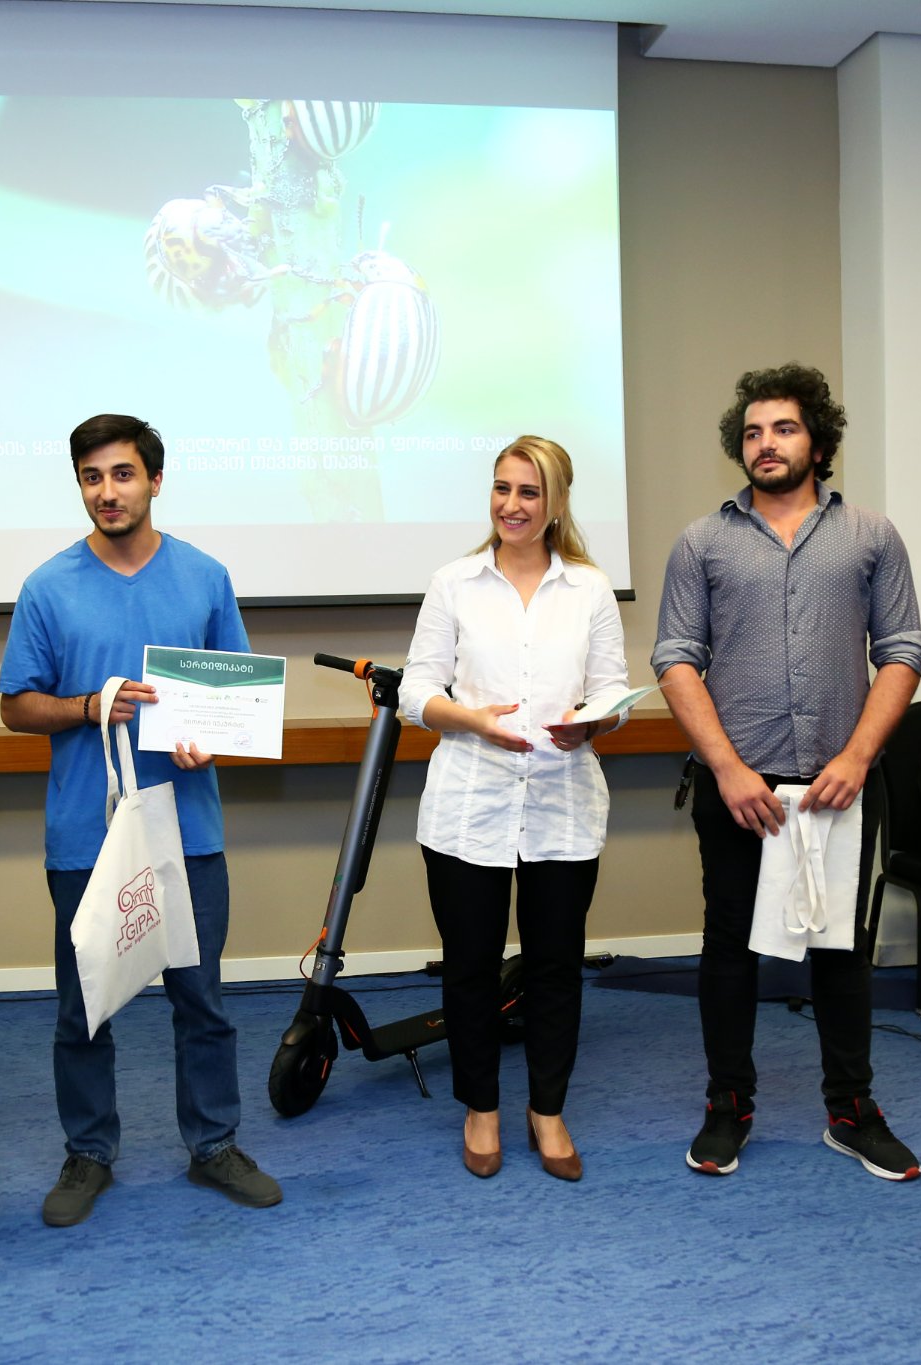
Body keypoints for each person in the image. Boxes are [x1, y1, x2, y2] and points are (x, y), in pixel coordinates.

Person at [0, 413, 281, 1227]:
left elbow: (236, 700)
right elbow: (17, 705)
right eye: (91, 477)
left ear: (155, 480)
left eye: (122, 474)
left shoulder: (204, 577)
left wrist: (211, 743)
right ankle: (89, 1151)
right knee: (83, 1006)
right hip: (86, 834)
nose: (107, 491)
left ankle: (214, 1143)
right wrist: (88, 705)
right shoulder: (48, 586)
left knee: (202, 1000)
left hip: (187, 830)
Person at [653, 362, 921, 1183]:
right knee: (728, 951)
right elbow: (675, 657)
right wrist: (728, 768)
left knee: (840, 952)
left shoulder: (871, 536)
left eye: (783, 428)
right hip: (738, 786)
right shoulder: (702, 542)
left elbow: (901, 651)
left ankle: (852, 1111)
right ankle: (727, 1105)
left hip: (838, 784)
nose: (765, 443)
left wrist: (857, 757)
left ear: (819, 439)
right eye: (752, 432)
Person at [399, 437, 628, 1182]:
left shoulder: (589, 588)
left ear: (555, 502)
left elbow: (612, 689)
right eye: (502, 488)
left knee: (556, 967)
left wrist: (593, 722)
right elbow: (414, 692)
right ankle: (482, 1108)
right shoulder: (454, 583)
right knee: (469, 966)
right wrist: (472, 719)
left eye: (528, 491)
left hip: (564, 803)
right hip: (469, 804)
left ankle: (548, 1110)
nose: (511, 504)